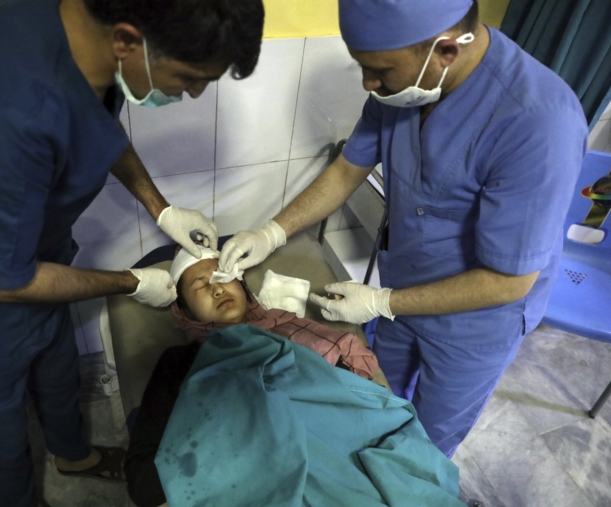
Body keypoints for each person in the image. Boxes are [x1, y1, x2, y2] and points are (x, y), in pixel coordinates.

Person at [0, 0, 264, 505]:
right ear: (126, 40)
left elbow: (94, 123)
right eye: (188, 76)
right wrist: (131, 281)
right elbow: (2, 280)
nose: (193, 92)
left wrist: (160, 209)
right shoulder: (9, 106)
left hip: (32, 259)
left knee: (57, 371)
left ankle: (75, 455)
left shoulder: (82, 34)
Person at [219, 0, 587, 458]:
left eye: (379, 71)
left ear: (446, 50)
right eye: (361, 67)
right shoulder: (407, 88)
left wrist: (380, 302)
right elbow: (346, 169)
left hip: (475, 323)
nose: (368, 84)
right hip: (406, 279)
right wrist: (271, 232)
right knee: (378, 401)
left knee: (423, 448)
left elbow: (509, 280)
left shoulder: (537, 121)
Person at [124, 245, 381, 506]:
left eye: (223, 275)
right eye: (199, 285)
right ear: (185, 310)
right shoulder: (179, 362)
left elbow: (353, 403)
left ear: (244, 288)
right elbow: (145, 483)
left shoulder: (300, 335)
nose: (217, 288)